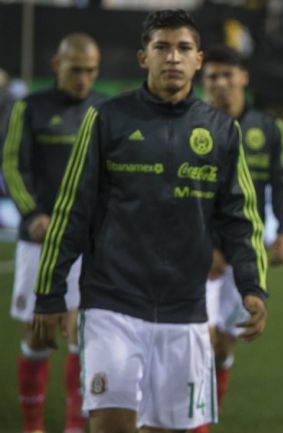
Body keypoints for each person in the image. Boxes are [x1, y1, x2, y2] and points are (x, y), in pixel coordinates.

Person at [31, 10, 269, 433]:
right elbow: (72, 209)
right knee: (111, 424)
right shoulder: (107, 119)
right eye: (162, 47)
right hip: (112, 303)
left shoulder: (220, 131)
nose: (173, 57)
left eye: (183, 49)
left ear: (198, 61)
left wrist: (252, 285)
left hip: (185, 308)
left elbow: (240, 218)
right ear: (144, 57)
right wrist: (50, 293)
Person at [2, 33, 101, 433]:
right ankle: (33, 425)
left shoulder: (103, 110)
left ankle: (75, 425)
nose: (84, 78)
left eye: (91, 71)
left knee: (83, 333)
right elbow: (12, 166)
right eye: (76, 69)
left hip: (86, 242)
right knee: (39, 333)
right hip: (40, 241)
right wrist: (32, 214)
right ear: (57, 65)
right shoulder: (30, 108)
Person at [194, 45, 283, 433]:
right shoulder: (194, 124)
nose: (220, 83)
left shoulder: (268, 128)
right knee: (196, 341)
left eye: (227, 75)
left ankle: (205, 418)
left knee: (223, 345)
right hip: (198, 251)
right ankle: (192, 424)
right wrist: (206, 246)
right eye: (212, 77)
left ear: (243, 78)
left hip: (245, 250)